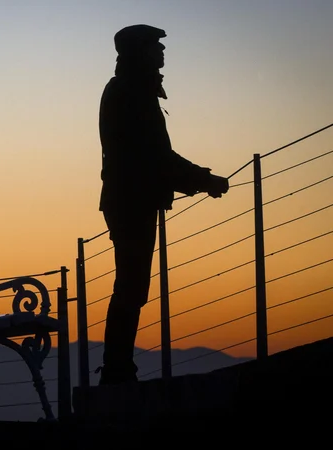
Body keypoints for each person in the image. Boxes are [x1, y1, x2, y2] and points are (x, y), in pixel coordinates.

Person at [97, 24, 229, 385]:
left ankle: (118, 368)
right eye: (155, 46)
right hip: (131, 201)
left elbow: (154, 158)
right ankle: (117, 371)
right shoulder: (132, 93)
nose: (162, 52)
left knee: (132, 285)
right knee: (131, 286)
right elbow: (155, 157)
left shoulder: (127, 89)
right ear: (139, 51)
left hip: (129, 199)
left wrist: (199, 179)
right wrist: (205, 180)